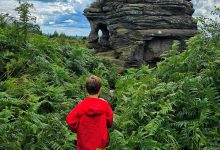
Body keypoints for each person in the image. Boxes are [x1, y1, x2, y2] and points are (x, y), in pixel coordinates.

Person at [66, 75, 113, 150]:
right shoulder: (105, 105)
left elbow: (70, 120)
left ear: (86, 90)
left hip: (83, 144)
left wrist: (77, 128)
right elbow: (110, 122)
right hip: (101, 144)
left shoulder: (81, 105)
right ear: (101, 90)